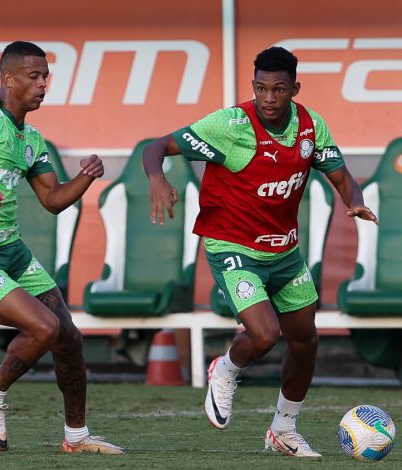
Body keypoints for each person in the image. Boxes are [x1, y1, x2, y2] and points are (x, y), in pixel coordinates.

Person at [143, 46, 378, 458]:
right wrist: (157, 180)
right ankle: (226, 368)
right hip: (233, 246)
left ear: (294, 89)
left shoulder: (309, 126)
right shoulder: (231, 124)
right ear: (253, 86)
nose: (269, 98)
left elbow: (341, 177)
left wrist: (354, 200)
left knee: (305, 340)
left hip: (284, 252)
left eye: (279, 89)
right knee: (266, 334)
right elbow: (155, 146)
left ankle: (283, 429)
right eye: (261, 88)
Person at [0, 41, 123, 455]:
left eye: (45, 76)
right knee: (44, 327)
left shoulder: (30, 137)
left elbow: (52, 201)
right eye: (33, 76)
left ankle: (77, 437)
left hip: (11, 252)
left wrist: (85, 177)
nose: (43, 84)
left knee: (68, 336)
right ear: (7, 79)